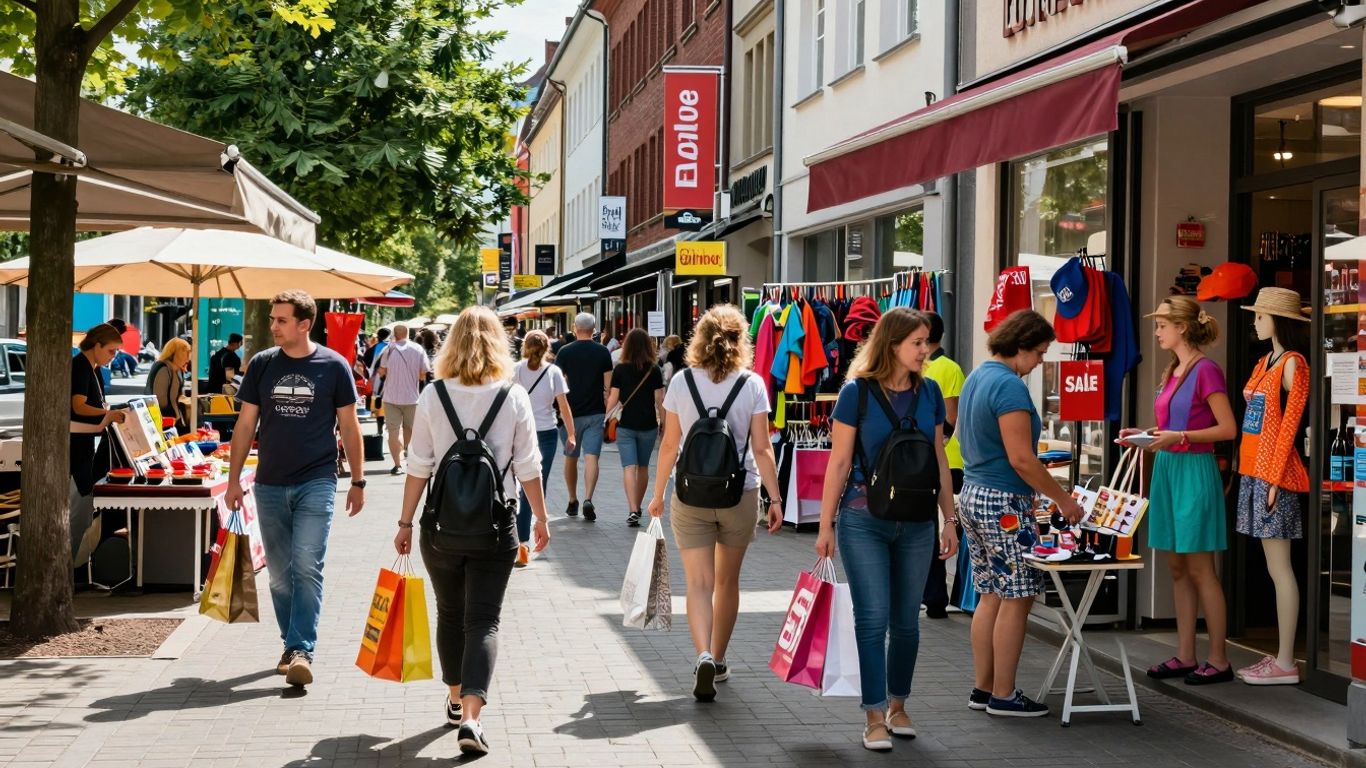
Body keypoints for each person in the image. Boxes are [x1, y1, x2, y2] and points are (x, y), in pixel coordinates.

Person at [394, 305, 550, 757]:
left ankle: (452, 697)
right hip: (496, 525)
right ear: (499, 342)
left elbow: (418, 464)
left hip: (440, 526)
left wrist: (405, 522)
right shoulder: (513, 395)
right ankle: (473, 718)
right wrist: (539, 517)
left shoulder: (433, 394)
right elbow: (527, 466)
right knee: (483, 619)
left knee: (448, 612)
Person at [814, 308, 958, 750]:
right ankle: (874, 714)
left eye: (926, 342)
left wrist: (949, 520)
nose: (924, 350)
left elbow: (938, 459)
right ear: (892, 344)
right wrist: (826, 526)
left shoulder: (930, 391)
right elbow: (838, 463)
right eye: (916, 343)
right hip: (863, 520)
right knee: (873, 620)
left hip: (916, 522)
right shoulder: (855, 394)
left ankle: (899, 705)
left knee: (907, 625)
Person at [225, 290, 365, 689]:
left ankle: (302, 648)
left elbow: (350, 427)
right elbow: (245, 425)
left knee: (307, 564)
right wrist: (234, 480)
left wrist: (357, 480)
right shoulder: (262, 366)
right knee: (280, 577)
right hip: (268, 482)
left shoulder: (333, 366)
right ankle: (290, 645)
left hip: (317, 480)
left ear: (304, 324)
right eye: (272, 319)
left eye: (281, 320)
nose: (273, 326)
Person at [648, 305, 784, 702]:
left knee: (699, 583)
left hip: (690, 494)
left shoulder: (681, 382)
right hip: (739, 494)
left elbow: (670, 445)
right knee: (727, 581)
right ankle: (720, 659)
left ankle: (703, 653)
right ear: (742, 340)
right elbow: (762, 448)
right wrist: (775, 499)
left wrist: (656, 495)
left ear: (700, 340)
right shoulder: (752, 384)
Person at [957, 309, 1083, 717]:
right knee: (1019, 596)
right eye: (1040, 353)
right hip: (1003, 501)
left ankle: (983, 687)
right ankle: (1005, 694)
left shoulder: (978, 376)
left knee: (990, 594)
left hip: (974, 493)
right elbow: (1022, 459)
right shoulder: (1009, 387)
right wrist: (1062, 499)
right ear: (1021, 347)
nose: (1041, 362)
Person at [1123, 296, 1237, 685]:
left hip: (1193, 471)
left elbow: (1227, 428)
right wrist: (1143, 435)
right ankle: (1186, 654)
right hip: (1169, 469)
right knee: (1176, 567)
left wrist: (1180, 435)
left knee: (1201, 569)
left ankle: (1219, 659)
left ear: (1182, 328)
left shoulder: (1207, 370)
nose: (1156, 331)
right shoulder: (1173, 369)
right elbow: (1171, 427)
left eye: (1161, 324)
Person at [513, 330, 575, 567]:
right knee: (536, 485)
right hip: (547, 434)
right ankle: (525, 541)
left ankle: (521, 542)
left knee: (519, 486)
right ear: (547, 347)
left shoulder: (516, 370)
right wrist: (570, 433)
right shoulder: (553, 372)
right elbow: (563, 406)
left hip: (519, 433)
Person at [920, 312, 966, 619]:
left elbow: (951, 416)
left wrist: (935, 448)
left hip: (946, 462)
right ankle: (935, 596)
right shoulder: (922, 364)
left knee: (946, 530)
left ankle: (941, 597)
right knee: (933, 529)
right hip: (932, 460)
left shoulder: (947, 368)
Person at [554, 312, 613, 521]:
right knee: (591, 457)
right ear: (594, 330)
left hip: (570, 413)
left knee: (570, 457)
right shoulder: (603, 352)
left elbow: (559, 384)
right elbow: (608, 386)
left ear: (574, 328)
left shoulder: (565, 352)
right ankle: (588, 498)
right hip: (595, 412)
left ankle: (572, 500)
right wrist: (609, 411)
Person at [604, 329, 665, 527]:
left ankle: (632, 509)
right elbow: (659, 400)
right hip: (648, 426)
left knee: (629, 467)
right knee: (643, 467)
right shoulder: (654, 369)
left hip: (626, 426)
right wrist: (663, 423)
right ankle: (637, 506)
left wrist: (605, 418)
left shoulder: (620, 369)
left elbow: (613, 398)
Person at [71, 324, 128, 496]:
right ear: (97, 345)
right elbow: (78, 406)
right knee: (82, 497)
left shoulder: (94, 368)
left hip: (85, 443)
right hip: (75, 446)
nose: (114, 356)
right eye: (111, 351)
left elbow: (100, 404)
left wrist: (108, 411)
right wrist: (107, 414)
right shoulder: (80, 366)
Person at [376, 325, 431, 475]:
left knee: (393, 431)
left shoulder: (388, 349)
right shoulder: (418, 349)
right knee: (410, 429)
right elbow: (423, 373)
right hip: (412, 398)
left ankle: (397, 465)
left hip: (391, 397)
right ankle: (408, 452)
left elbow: (382, 371)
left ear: (395, 334)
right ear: (408, 334)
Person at [146, 338, 192, 434]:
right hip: (163, 420)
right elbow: (160, 400)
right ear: (178, 354)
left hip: (172, 419)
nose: (188, 358)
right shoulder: (163, 368)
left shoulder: (176, 369)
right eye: (186, 353)